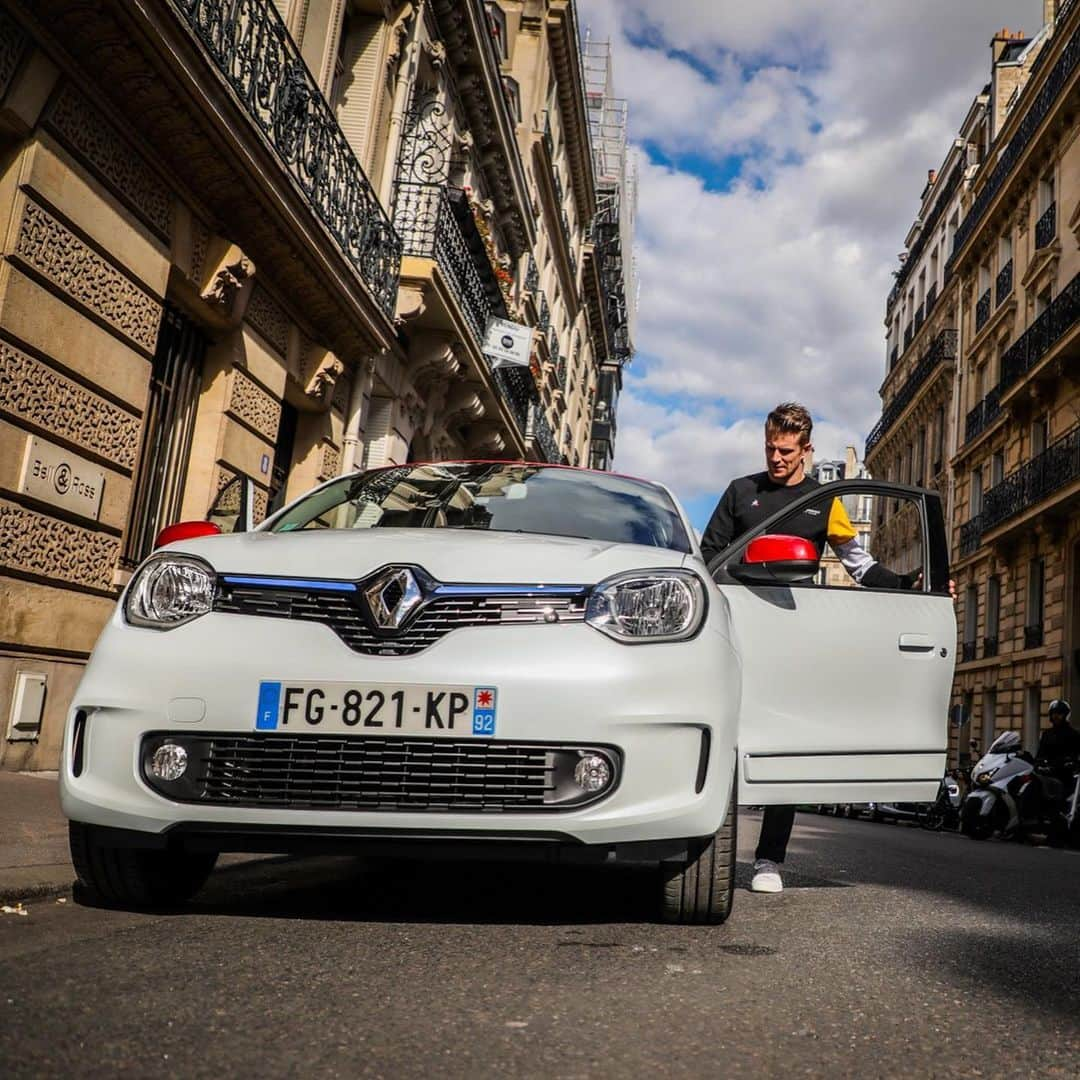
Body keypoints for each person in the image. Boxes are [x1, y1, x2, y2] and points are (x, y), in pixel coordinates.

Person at [700, 402, 920, 894]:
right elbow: (709, 556)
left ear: (806, 449)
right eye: (770, 448)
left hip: (793, 635)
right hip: (735, 628)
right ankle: (704, 842)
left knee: (782, 743)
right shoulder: (741, 492)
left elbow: (861, 565)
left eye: (785, 450)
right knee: (723, 738)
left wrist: (909, 584)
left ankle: (769, 860)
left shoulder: (825, 501)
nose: (776, 458)